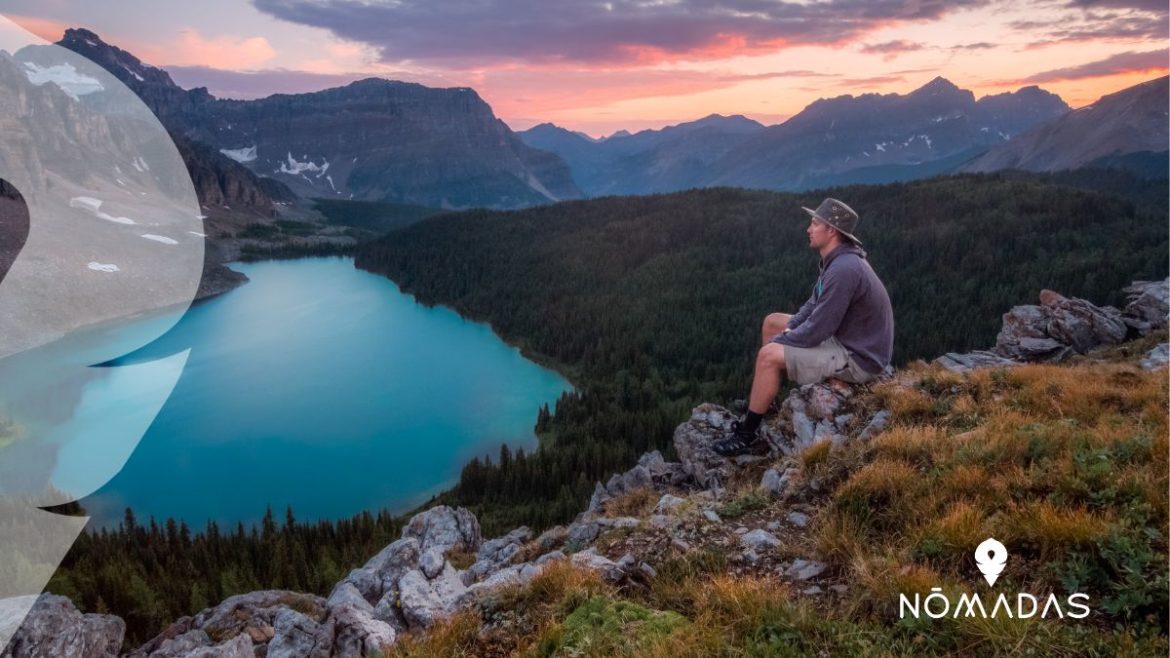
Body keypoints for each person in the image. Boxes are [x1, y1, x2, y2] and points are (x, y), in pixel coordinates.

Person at [712, 197, 894, 457]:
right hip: (848, 339)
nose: (808, 229)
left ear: (831, 230)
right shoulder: (836, 261)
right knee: (772, 322)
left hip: (859, 358)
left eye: (814, 223)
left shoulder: (844, 269)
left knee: (767, 356)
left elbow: (819, 327)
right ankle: (767, 401)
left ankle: (746, 434)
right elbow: (811, 307)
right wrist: (788, 331)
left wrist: (786, 341)